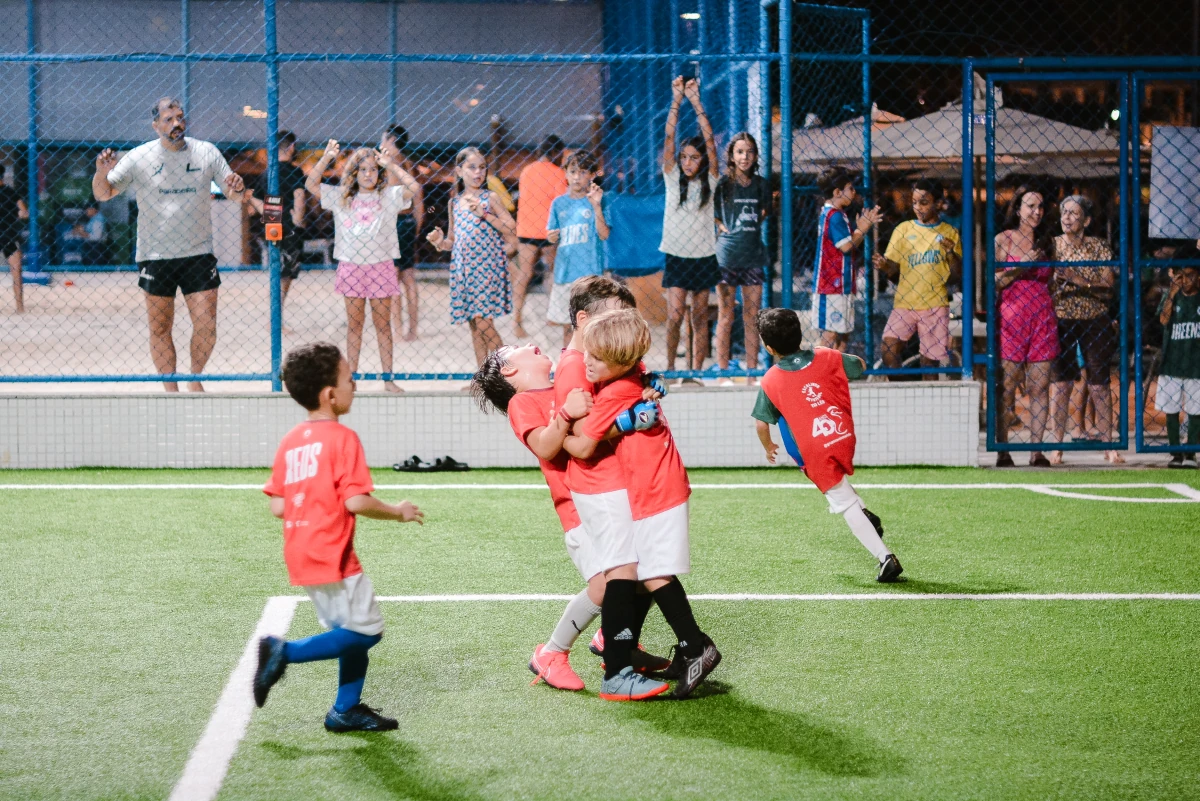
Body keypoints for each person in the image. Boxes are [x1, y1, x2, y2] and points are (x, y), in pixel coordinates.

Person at [470, 341, 666, 691]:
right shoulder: (522, 402)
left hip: (612, 497)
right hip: (578, 508)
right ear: (509, 370)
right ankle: (551, 653)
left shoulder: (568, 381)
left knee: (647, 569)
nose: (531, 343)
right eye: (517, 348)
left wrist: (645, 385)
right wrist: (564, 414)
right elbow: (546, 447)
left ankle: (616, 639)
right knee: (604, 585)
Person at [255, 342, 424, 732]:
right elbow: (355, 501)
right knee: (367, 632)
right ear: (330, 395)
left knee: (348, 631)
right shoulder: (342, 438)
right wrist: (398, 511)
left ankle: (345, 709)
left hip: (301, 552)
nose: (355, 384)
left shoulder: (291, 440)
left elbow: (278, 506)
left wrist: (312, 501)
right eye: (350, 378)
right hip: (333, 554)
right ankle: (283, 652)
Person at [564, 308, 722, 700]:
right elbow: (645, 375)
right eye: (587, 353)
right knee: (650, 571)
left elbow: (583, 447)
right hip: (657, 486)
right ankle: (687, 648)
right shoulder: (633, 375)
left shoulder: (613, 394)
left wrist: (556, 431)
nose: (586, 362)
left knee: (654, 573)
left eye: (597, 358)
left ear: (620, 362)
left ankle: (696, 647)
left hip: (656, 490)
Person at [91, 97, 246, 391]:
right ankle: (170, 391)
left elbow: (234, 194)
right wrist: (101, 172)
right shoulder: (139, 157)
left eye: (180, 117)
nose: (177, 123)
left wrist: (237, 187)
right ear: (155, 125)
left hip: (198, 252)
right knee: (160, 327)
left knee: (206, 325)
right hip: (155, 255)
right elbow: (103, 193)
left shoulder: (206, 151)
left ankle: (195, 378)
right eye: (169, 119)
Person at [751, 307, 901, 582]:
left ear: (769, 348)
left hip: (813, 450)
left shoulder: (771, 379)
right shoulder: (825, 355)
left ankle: (885, 558)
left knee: (842, 502)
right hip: (842, 434)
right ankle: (865, 514)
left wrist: (768, 446)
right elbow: (859, 365)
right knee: (839, 486)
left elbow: (762, 424)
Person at [306, 140, 419, 394]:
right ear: (354, 172)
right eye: (363, 169)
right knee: (354, 326)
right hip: (351, 266)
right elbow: (311, 184)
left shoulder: (387, 196)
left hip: (381, 266)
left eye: (373, 169)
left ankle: (388, 379)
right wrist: (326, 158)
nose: (369, 174)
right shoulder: (342, 197)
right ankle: (352, 379)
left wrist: (390, 165)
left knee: (383, 326)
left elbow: (413, 187)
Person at [1047, 195, 1121, 464]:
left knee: (1099, 384)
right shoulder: (1053, 245)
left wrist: (1079, 281)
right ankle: (1056, 445)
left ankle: (1109, 445)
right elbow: (1044, 283)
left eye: (1073, 213)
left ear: (1086, 220)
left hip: (1094, 318)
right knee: (1062, 383)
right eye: (1064, 212)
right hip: (1062, 318)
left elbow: (1108, 285)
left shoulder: (1098, 246)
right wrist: (1055, 280)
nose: (1066, 218)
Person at [426, 147, 516, 367]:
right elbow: (452, 241)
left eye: (482, 167)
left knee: (484, 323)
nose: (478, 172)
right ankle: (483, 376)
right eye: (472, 167)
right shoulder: (454, 202)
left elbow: (510, 227)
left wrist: (484, 215)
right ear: (459, 171)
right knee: (475, 326)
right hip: (464, 270)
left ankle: (509, 371)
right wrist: (439, 242)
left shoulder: (490, 198)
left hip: (486, 267)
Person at [660, 76, 719, 381]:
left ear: (703, 161)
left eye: (694, 158)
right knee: (674, 315)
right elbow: (669, 137)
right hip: (677, 254)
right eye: (684, 157)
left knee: (699, 316)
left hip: (704, 255)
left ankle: (694, 372)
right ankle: (671, 368)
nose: (687, 162)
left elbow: (710, 142)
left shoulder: (711, 181)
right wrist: (676, 99)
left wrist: (695, 101)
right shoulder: (672, 179)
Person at [993, 186, 1057, 467]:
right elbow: (995, 281)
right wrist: (1021, 265)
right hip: (1012, 317)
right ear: (1018, 209)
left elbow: (1051, 281)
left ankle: (1036, 451)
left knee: (1040, 386)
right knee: (1006, 386)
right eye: (1031, 206)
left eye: (1040, 206)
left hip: (1042, 316)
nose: (1037, 212)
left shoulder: (1048, 242)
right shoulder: (1003, 240)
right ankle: (1003, 449)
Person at [872, 179, 962, 376]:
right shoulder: (903, 229)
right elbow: (893, 268)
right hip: (905, 302)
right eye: (914, 202)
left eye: (924, 202)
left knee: (929, 365)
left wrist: (950, 253)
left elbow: (957, 275)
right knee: (889, 349)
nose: (917, 207)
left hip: (935, 304)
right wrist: (884, 265)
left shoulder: (949, 232)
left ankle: (926, 395)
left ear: (938, 203)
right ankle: (901, 392)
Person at [713, 132, 771, 384]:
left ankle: (751, 373)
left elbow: (764, 212)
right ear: (731, 156)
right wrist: (723, 227)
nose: (744, 156)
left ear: (755, 155)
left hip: (753, 256)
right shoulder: (723, 184)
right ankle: (723, 373)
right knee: (726, 315)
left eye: (749, 152)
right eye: (739, 152)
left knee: (752, 316)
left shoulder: (762, 185)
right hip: (726, 257)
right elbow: (714, 214)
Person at [812, 167, 881, 351]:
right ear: (837, 192)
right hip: (832, 285)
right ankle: (817, 367)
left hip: (841, 284)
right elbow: (846, 246)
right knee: (831, 333)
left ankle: (835, 367)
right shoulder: (834, 216)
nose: (854, 192)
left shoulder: (835, 214)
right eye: (850, 188)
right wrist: (862, 229)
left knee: (843, 333)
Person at [545, 150, 610, 347]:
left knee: (592, 328)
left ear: (592, 175)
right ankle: (569, 363)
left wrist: (596, 206)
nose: (576, 177)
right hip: (565, 274)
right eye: (573, 171)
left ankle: (590, 365)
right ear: (565, 173)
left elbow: (604, 234)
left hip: (590, 275)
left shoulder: (598, 200)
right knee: (569, 327)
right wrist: (551, 236)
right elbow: (551, 234)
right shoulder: (558, 203)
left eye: (583, 172)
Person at [244, 130, 308, 320]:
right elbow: (299, 196)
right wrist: (298, 221)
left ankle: (275, 317)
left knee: (277, 272)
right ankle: (276, 318)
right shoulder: (294, 171)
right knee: (286, 275)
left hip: (273, 225)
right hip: (290, 228)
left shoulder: (268, 172)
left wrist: (271, 214)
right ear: (292, 147)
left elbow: (255, 199)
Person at [513, 135, 568, 338]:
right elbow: (561, 204)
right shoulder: (558, 173)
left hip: (526, 228)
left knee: (524, 274)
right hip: (549, 230)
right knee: (553, 272)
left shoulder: (527, 170)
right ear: (556, 152)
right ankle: (553, 315)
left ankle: (517, 321)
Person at [380, 124, 424, 342]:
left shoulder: (389, 165)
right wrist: (416, 226)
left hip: (394, 223)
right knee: (408, 277)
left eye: (383, 139)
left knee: (393, 278)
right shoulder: (408, 163)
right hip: (408, 222)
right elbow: (419, 200)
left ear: (391, 140)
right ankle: (412, 330)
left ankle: (397, 329)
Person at [1156, 252, 1200, 468]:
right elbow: (1163, 320)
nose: (1186, 281)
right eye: (1182, 276)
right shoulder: (1172, 295)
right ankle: (1175, 452)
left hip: (1196, 363)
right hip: (1172, 362)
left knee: (1196, 409)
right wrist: (1172, 294)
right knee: (1171, 409)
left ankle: (1191, 452)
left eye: (1191, 276)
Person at [0, 166, 29, 312]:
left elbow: (24, 212)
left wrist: (20, 213)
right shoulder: (11, 193)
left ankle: (20, 307)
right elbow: (24, 212)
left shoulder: (10, 193)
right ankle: (20, 307)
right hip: (8, 233)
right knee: (16, 271)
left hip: (8, 235)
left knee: (16, 270)